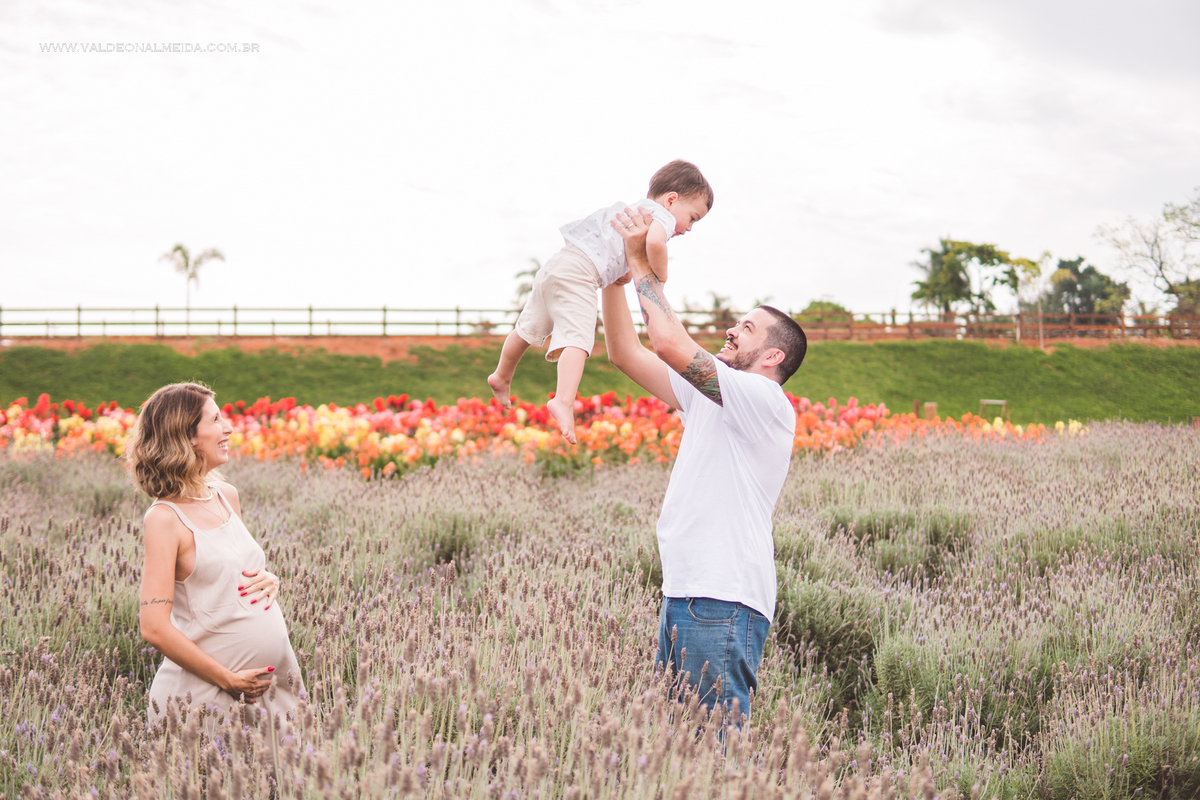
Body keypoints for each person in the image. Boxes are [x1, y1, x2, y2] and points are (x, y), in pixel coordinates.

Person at [601, 207, 806, 724]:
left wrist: (640, 262)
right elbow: (625, 353)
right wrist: (612, 278)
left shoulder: (763, 399)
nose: (732, 331)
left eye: (747, 328)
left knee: (712, 750)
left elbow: (669, 343)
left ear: (773, 357)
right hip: (686, 592)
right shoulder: (713, 396)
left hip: (722, 598)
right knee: (679, 751)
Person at [488, 159, 714, 444]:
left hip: (557, 265)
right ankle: (563, 400)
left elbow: (620, 255)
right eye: (692, 217)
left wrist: (625, 271)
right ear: (671, 200)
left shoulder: (633, 211)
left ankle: (501, 375)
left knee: (527, 329)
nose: (690, 228)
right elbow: (655, 244)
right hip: (580, 275)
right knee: (578, 339)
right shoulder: (661, 217)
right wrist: (661, 277)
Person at [126, 382, 304, 730]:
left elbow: (231, 572)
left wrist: (270, 579)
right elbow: (154, 627)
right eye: (216, 420)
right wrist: (229, 680)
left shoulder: (225, 495)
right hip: (206, 698)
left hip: (271, 692)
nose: (229, 428)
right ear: (188, 436)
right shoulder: (164, 519)